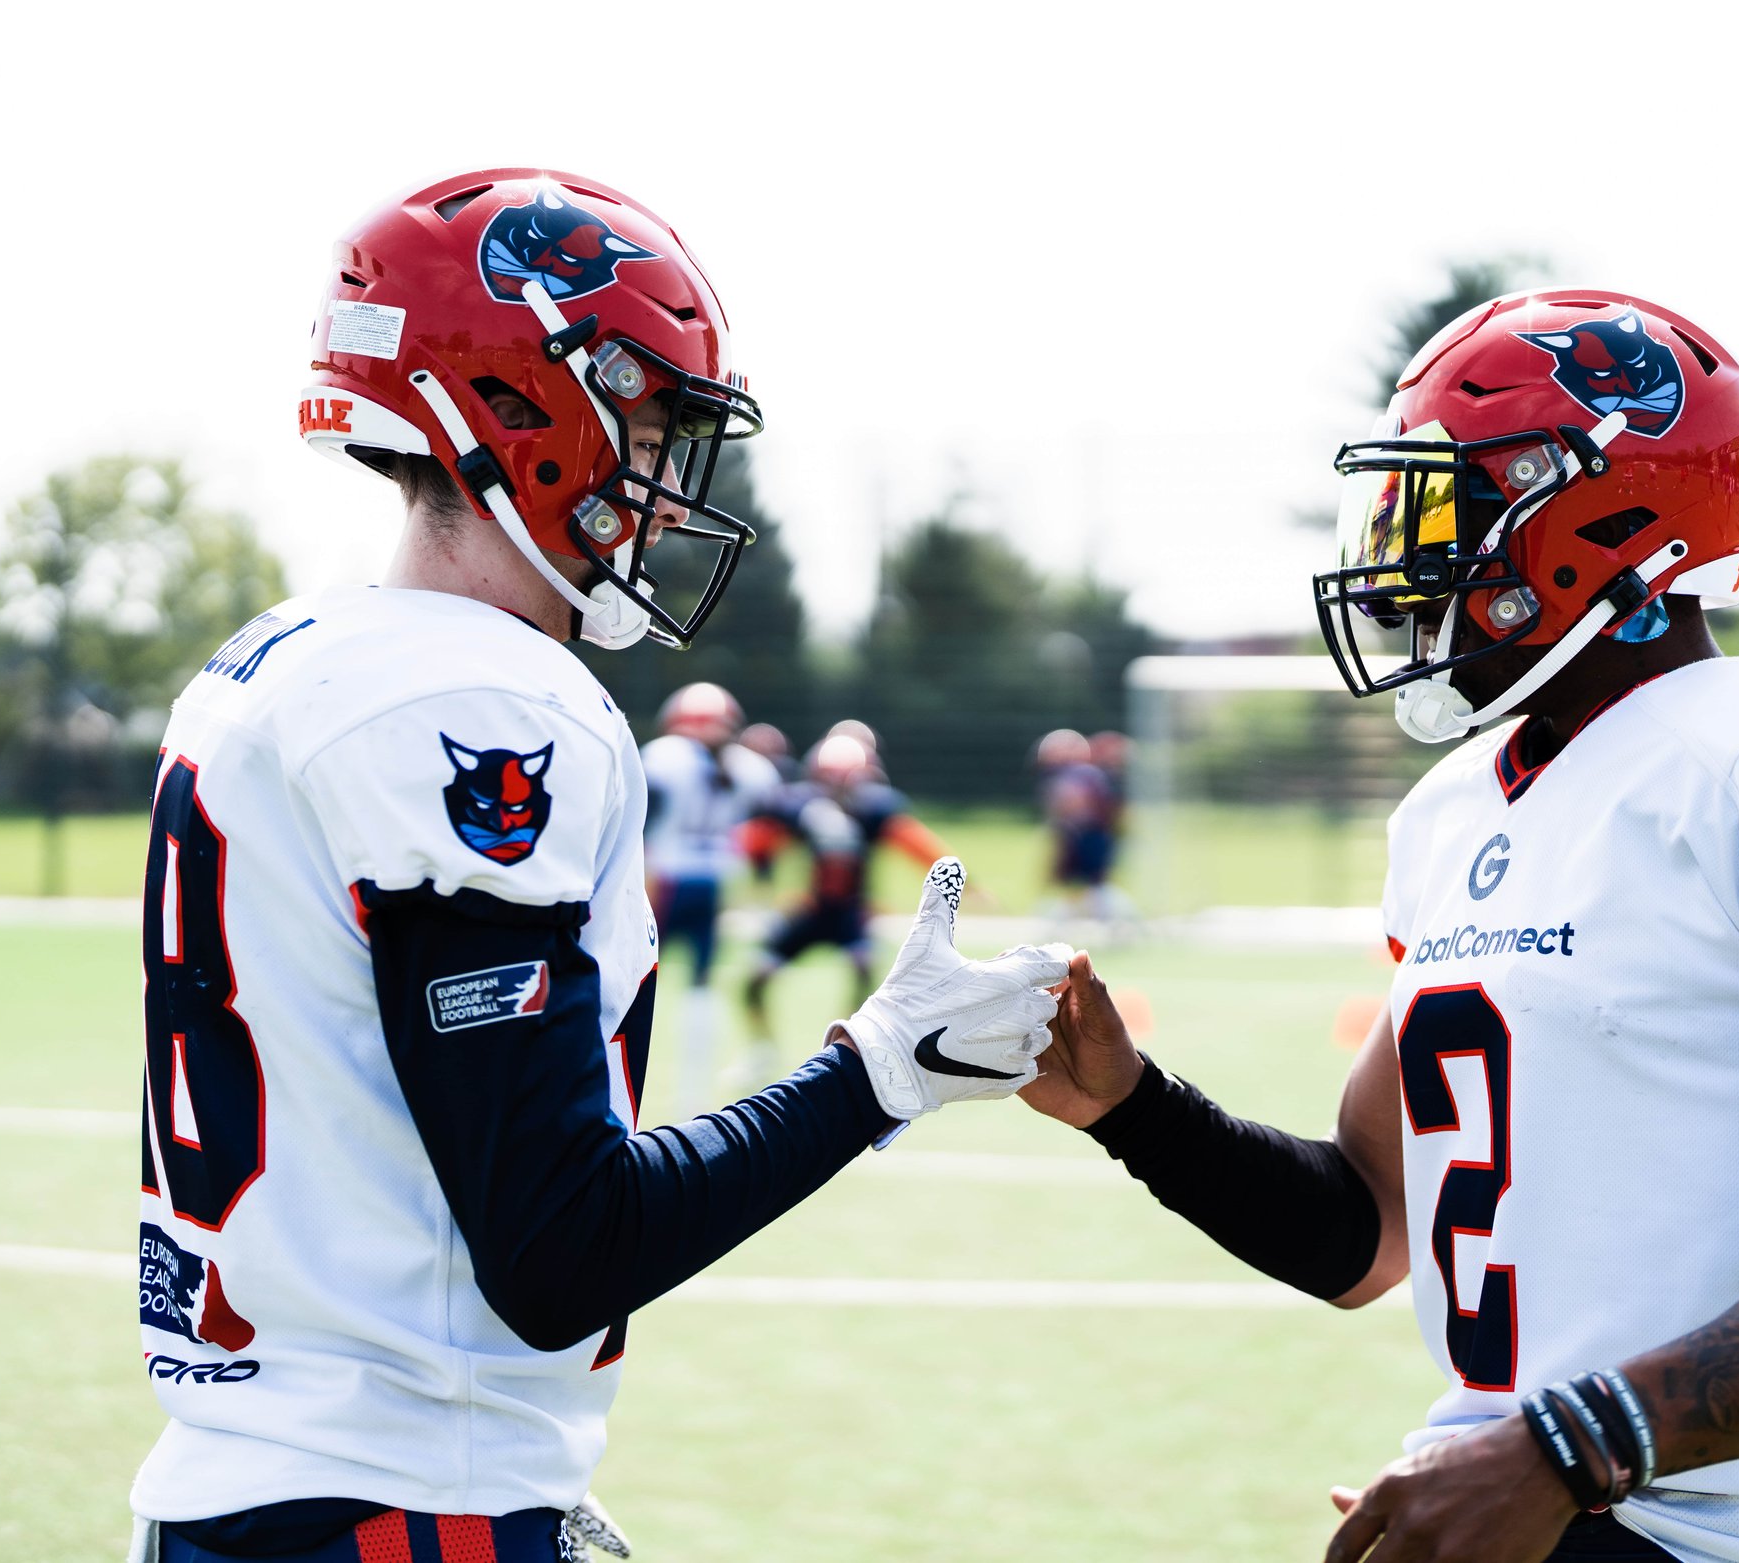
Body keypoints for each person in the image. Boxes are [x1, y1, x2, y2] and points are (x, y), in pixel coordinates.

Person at [132, 168, 1067, 1563]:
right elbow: (562, 1246)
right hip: (391, 1499)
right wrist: (879, 1068)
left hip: (251, 1479)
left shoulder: (281, 660)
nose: (666, 471)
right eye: (644, 417)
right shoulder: (483, 701)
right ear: (516, 402)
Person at [1023, 288, 1739, 1563]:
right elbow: (1363, 1229)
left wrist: (1567, 1444)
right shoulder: (1453, 812)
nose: (1401, 553)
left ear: (1591, 513)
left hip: (1728, 1536)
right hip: (1519, 1506)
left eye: (1436, 508)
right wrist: (1131, 1104)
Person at [735, 729, 954, 1083]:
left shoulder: (875, 809)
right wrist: (764, 884)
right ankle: (763, 1049)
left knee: (866, 973)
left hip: (852, 910)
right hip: (812, 908)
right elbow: (757, 840)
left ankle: (845, 1054)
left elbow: (914, 843)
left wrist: (964, 881)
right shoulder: (799, 806)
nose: (838, 788)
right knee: (755, 978)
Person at [640, 681, 780, 1109]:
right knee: (702, 983)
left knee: (633, 978)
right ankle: (694, 1089)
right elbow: (765, 838)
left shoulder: (663, 757)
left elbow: (639, 823)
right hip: (719, 881)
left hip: (663, 879)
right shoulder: (753, 767)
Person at [1036, 727, 1122, 920]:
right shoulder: (1088, 773)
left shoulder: (1076, 774)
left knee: (1090, 883)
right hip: (1088, 833)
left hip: (1083, 834)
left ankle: (1114, 920)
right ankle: (1064, 920)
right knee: (1085, 883)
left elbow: (1071, 805)